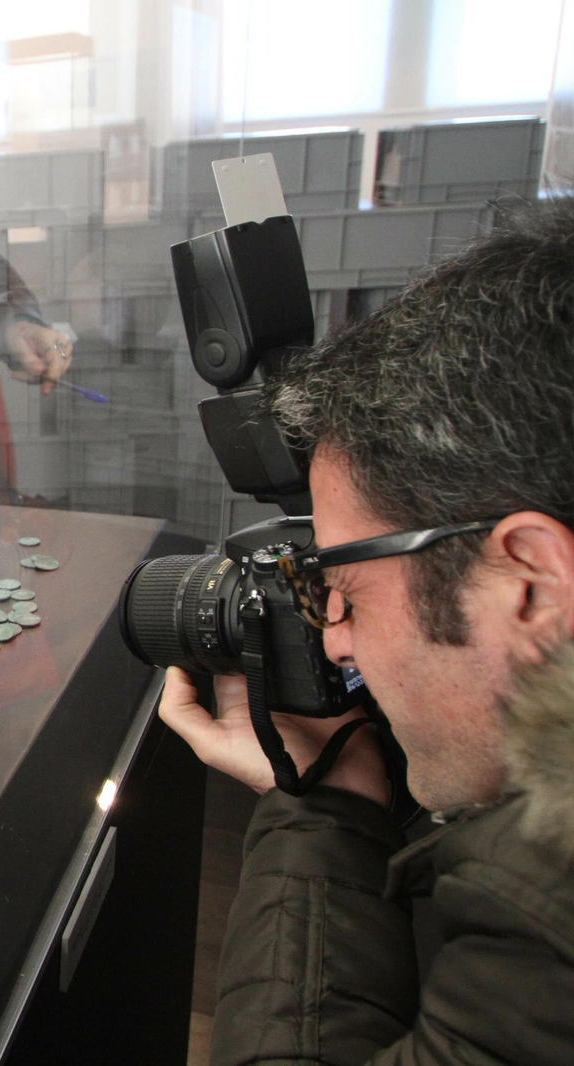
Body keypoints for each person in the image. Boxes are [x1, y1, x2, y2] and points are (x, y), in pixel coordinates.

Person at [158, 197, 574, 1064]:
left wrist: (323, 804)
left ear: (531, 584)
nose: (336, 643)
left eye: (343, 591)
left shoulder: (544, 905)